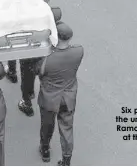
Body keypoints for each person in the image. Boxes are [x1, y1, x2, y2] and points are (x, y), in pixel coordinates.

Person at [37, 23, 84, 166]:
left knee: (47, 125)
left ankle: (45, 150)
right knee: (67, 128)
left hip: (49, 98)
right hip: (68, 97)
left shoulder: (47, 58)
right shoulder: (79, 51)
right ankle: (66, 159)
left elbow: (39, 72)